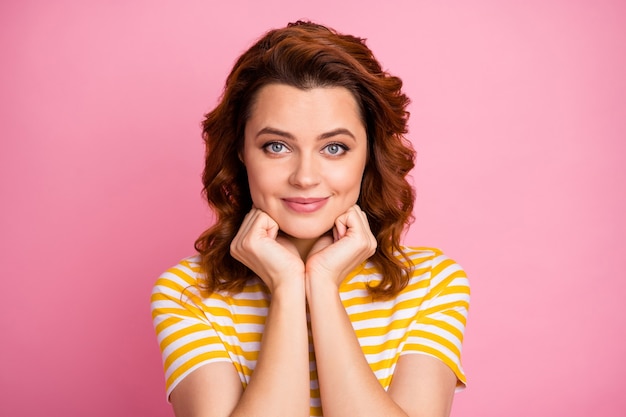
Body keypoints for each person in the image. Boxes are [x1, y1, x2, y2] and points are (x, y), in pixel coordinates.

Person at [151, 21, 470, 417]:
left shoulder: (430, 284)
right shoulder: (188, 293)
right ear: (240, 151)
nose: (304, 177)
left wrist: (322, 286)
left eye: (334, 147)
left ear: (369, 155)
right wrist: (287, 288)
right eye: (277, 146)